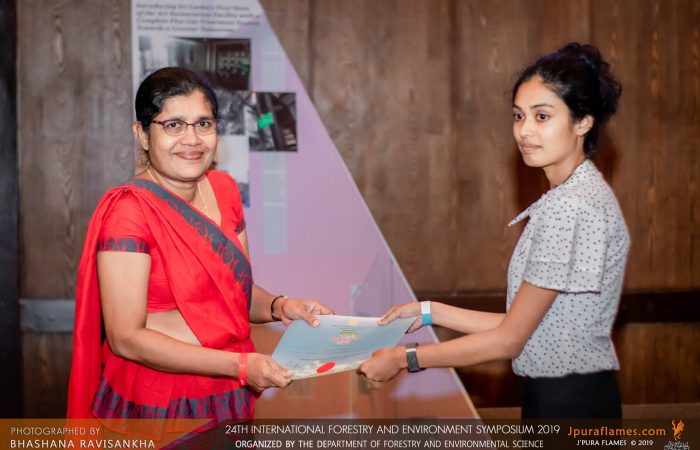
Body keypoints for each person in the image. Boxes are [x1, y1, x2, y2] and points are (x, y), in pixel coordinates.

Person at [358, 43, 629, 419]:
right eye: (519, 116)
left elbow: (509, 340)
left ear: (583, 122)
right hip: (570, 396)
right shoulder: (576, 194)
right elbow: (528, 327)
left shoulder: (571, 205)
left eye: (542, 116)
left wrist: (405, 358)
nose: (525, 131)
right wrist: (428, 312)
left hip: (567, 403)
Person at [67, 67, 332, 423]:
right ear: (142, 134)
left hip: (226, 392)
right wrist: (239, 365)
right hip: (161, 402)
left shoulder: (224, 190)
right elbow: (125, 338)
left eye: (203, 124)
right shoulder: (129, 212)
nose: (191, 139)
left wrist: (281, 306)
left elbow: (234, 296)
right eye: (173, 125)